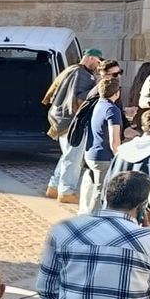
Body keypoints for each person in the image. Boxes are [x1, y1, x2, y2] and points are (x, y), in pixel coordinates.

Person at [43, 49, 102, 203]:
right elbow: (82, 98)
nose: (98, 64)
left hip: (59, 117)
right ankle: (66, 191)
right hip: (72, 121)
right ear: (90, 58)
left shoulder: (71, 69)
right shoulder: (84, 75)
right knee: (73, 158)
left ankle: (54, 187)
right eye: (98, 60)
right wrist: (98, 86)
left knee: (67, 155)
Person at [79, 71, 124, 212]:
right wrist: (119, 156)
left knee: (94, 188)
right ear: (117, 93)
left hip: (91, 153)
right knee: (100, 192)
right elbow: (114, 140)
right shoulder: (112, 110)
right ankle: (93, 219)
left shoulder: (98, 105)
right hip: (104, 157)